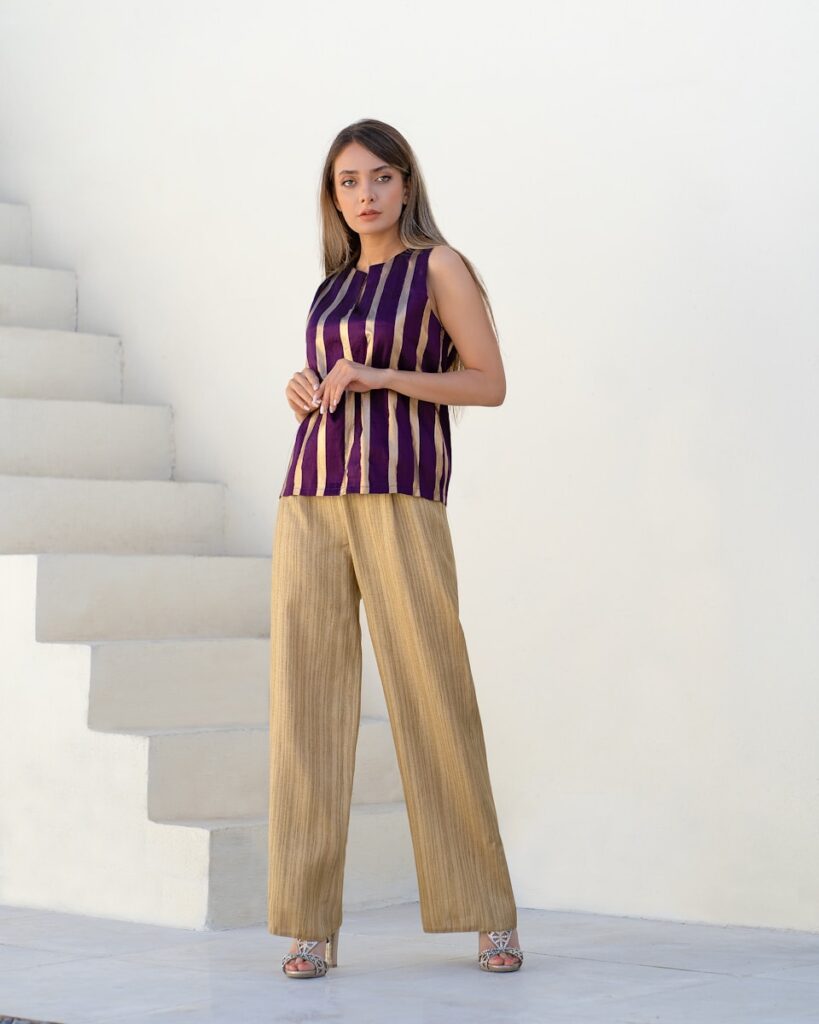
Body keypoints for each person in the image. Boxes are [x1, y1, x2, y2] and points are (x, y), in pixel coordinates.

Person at [267, 117, 524, 979]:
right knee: (306, 708)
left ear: (406, 184)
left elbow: (487, 383)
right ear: (332, 195)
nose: (365, 195)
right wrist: (304, 390)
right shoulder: (330, 286)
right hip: (309, 495)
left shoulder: (437, 268)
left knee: (432, 692)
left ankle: (487, 910)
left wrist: (381, 376)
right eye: (348, 182)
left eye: (380, 178)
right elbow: (328, 383)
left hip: (401, 493)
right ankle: (308, 924)